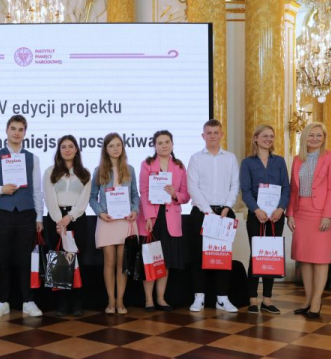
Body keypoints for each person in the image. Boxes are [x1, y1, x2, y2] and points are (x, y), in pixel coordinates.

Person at [0, 115, 44, 318]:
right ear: (7, 131)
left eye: (20, 129)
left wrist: (39, 218)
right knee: (3, 259)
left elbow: (37, 190)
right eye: (13, 128)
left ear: (25, 133)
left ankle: (28, 300)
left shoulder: (32, 158)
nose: (16, 132)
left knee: (26, 259)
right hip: (4, 214)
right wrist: (1, 189)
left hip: (27, 215)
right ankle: (2, 301)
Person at [286, 122, 331, 318]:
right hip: (301, 213)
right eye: (312, 135)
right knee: (305, 260)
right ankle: (308, 299)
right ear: (305, 137)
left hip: (320, 215)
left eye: (319, 135)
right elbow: (293, 189)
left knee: (320, 259)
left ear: (324, 138)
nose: (315, 139)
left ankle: (317, 301)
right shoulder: (297, 160)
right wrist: (290, 213)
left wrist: (328, 214)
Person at [187, 119, 240, 313]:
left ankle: (222, 298)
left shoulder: (230, 158)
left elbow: (235, 185)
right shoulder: (195, 158)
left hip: (224, 213)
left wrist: (227, 207)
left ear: (221, 134)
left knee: (222, 256)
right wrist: (208, 212)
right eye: (208, 133)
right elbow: (193, 186)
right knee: (198, 256)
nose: (212, 136)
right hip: (201, 213)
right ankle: (198, 297)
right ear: (203, 136)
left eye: (216, 132)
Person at [137, 130, 190, 312]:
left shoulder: (180, 167)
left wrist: (175, 194)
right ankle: (148, 299)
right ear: (155, 146)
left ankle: (161, 298)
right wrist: (149, 217)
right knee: (151, 260)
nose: (164, 145)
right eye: (160, 143)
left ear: (172, 144)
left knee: (165, 261)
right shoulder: (147, 164)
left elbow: (186, 195)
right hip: (152, 219)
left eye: (167, 142)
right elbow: (143, 191)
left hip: (171, 220)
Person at [241, 124, 290, 314]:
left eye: (271, 136)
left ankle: (267, 300)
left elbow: (286, 188)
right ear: (255, 138)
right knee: (257, 255)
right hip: (256, 216)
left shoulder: (279, 161)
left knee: (272, 256)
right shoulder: (247, 163)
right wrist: (256, 210)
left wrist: (281, 208)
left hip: (277, 217)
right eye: (264, 136)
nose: (268, 139)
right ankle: (252, 299)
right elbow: (245, 191)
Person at [89, 132, 140, 314]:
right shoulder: (99, 171)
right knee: (109, 262)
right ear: (106, 149)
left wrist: (135, 210)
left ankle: (120, 300)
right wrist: (100, 213)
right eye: (111, 145)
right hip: (108, 222)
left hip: (125, 222)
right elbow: (92, 198)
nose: (115, 148)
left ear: (122, 147)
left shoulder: (130, 169)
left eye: (118, 145)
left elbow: (135, 195)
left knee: (122, 262)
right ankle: (110, 299)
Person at [43, 135, 92, 316]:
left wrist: (69, 218)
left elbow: (83, 200)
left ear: (76, 149)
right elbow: (49, 197)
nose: (67, 150)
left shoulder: (85, 172)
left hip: (77, 220)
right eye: (63, 147)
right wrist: (59, 220)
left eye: (71, 146)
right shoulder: (50, 171)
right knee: (60, 262)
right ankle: (62, 303)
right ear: (59, 150)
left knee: (78, 262)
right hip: (55, 220)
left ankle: (77, 302)